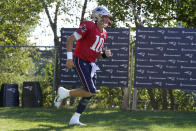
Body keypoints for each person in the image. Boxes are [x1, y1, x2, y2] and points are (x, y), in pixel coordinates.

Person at [54, 6, 112, 126]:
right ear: (97, 17)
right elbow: (70, 40)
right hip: (80, 60)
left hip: (91, 64)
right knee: (91, 90)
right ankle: (65, 93)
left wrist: (104, 55)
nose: (107, 20)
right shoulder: (89, 25)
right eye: (105, 17)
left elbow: (96, 54)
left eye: (107, 17)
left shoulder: (104, 33)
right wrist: (69, 58)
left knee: (89, 92)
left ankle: (75, 118)